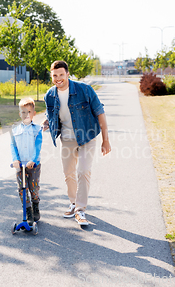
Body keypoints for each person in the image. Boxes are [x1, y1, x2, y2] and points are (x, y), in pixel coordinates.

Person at [42, 60, 111, 226]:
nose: (58, 78)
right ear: (51, 76)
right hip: (66, 139)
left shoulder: (84, 89)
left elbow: (100, 113)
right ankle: (73, 203)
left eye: (61, 74)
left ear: (67, 74)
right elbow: (51, 116)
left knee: (83, 171)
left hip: (87, 136)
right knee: (68, 173)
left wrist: (106, 140)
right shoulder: (49, 96)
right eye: (55, 75)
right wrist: (45, 124)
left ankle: (80, 210)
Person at [10, 97, 43, 225]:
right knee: (22, 189)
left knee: (33, 188)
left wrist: (32, 160)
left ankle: (35, 205)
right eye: (23, 112)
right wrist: (15, 160)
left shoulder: (37, 130)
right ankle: (28, 211)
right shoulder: (15, 130)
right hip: (20, 166)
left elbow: (37, 146)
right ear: (20, 114)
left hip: (33, 165)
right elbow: (13, 146)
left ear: (34, 113)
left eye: (29, 112)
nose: (26, 115)